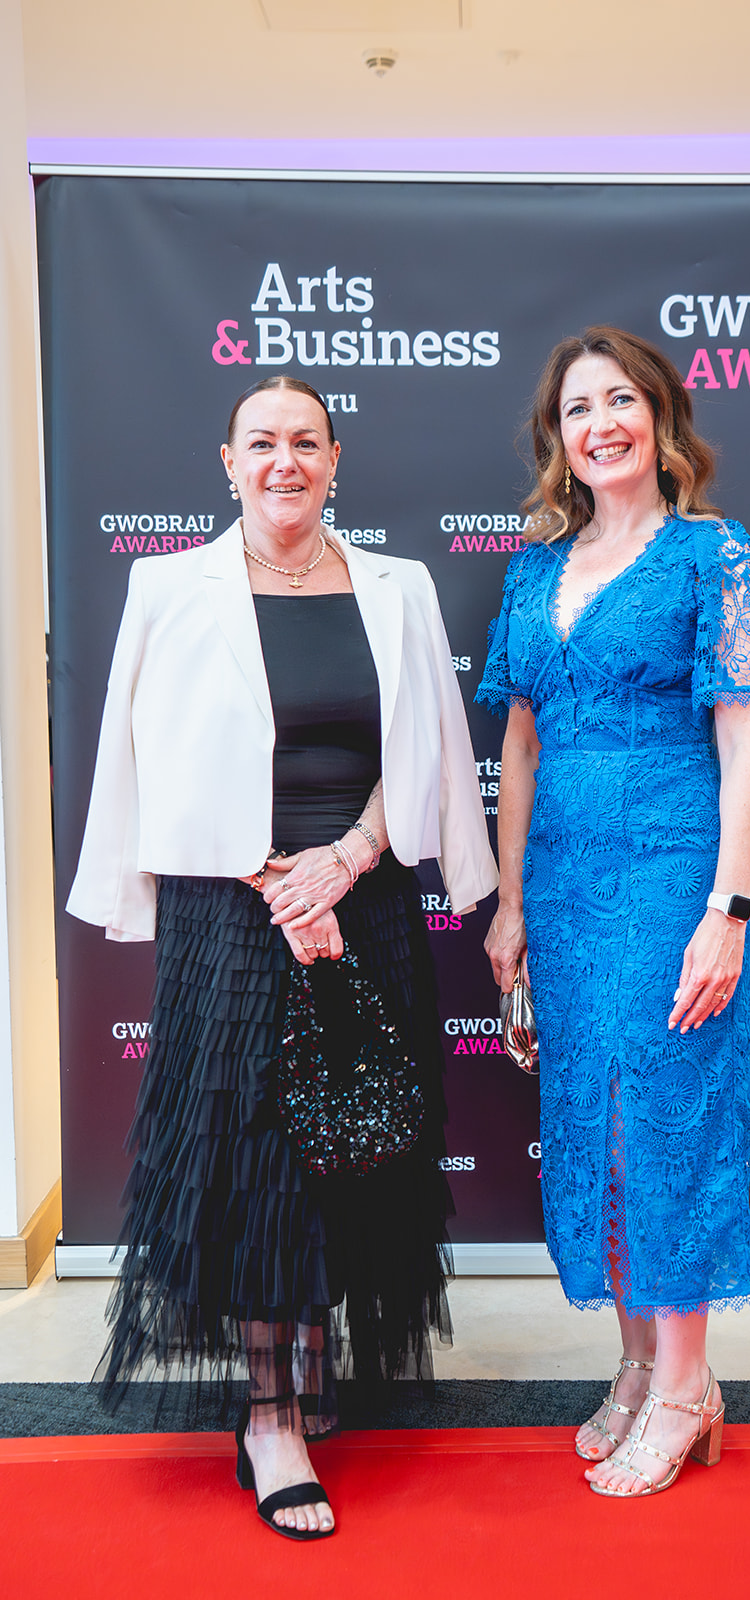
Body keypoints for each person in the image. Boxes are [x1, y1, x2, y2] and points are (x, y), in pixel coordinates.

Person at [67, 374, 498, 1539]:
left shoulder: (399, 586)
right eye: (260, 442)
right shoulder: (167, 585)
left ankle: (309, 1363)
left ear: (335, 459)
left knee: (351, 1139)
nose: (283, 462)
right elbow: (144, 754)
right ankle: (268, 1416)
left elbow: (428, 748)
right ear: (228, 462)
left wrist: (347, 861)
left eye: (305, 441)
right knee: (257, 1152)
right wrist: (273, 880)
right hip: (233, 913)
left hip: (367, 894)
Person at [477, 327, 750, 1498]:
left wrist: (728, 909)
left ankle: (687, 1382)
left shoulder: (714, 554)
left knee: (662, 1117)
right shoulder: (532, 570)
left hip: (669, 870)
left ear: (659, 419)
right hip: (560, 883)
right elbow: (517, 745)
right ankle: (636, 1358)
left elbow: (745, 745)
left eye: (619, 400)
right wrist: (510, 902)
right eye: (575, 408)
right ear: (555, 438)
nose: (598, 424)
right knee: (592, 1120)